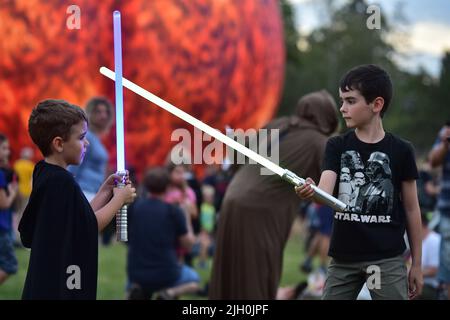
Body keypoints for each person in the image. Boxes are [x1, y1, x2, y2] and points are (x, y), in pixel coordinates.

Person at [296, 64, 423, 300]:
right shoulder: (336, 146)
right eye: (341, 100)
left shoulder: (402, 151)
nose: (342, 108)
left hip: (386, 260)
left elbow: (411, 209)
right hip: (344, 259)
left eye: (351, 101)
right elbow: (324, 192)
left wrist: (416, 264)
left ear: (376, 104)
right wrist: (310, 191)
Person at [209, 89, 339, 299]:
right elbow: (332, 186)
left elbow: (237, 161)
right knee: (259, 268)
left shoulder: (277, 125)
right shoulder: (320, 142)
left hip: (233, 197)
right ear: (328, 116)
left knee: (229, 264)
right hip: (264, 208)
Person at [18, 99, 136, 299]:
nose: (87, 142)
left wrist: (104, 192)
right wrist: (119, 200)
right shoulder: (62, 182)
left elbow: (78, 218)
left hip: (49, 276)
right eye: (81, 137)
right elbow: (87, 226)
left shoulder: (45, 173)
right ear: (58, 144)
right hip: (62, 281)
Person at [126, 167, 199, 300]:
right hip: (167, 273)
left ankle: (137, 289)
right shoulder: (173, 212)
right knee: (194, 280)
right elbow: (188, 245)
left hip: (136, 272)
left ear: (146, 185)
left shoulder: (135, 207)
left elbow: (127, 238)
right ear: (167, 187)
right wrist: (186, 215)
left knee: (137, 284)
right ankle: (169, 293)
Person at [68, 97, 114, 245]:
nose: (103, 115)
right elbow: (74, 166)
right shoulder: (87, 137)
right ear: (90, 113)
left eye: (106, 112)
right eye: (98, 111)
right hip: (83, 191)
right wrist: (71, 191)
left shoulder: (95, 139)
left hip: (93, 192)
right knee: (81, 238)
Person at [429, 121, 450, 299]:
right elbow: (433, 161)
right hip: (447, 210)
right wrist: (445, 143)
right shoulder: (446, 130)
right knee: (448, 262)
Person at [0, 133, 19, 285]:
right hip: (2, 228)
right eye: (4, 148)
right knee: (10, 265)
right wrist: (13, 191)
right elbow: (4, 203)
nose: (8, 151)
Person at [12, 147, 35, 244]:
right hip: (27, 192)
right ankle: (21, 237)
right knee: (23, 214)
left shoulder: (17, 164)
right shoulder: (31, 166)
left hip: (17, 191)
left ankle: (15, 236)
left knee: (16, 213)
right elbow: (32, 181)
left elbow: (14, 178)